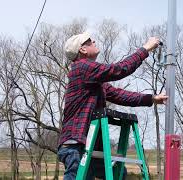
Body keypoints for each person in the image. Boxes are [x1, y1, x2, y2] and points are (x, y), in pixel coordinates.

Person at [57, 31, 168, 180]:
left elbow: (118, 95)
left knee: (118, 173)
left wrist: (151, 99)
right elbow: (118, 70)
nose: (94, 41)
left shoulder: (94, 81)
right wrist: (145, 49)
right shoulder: (82, 68)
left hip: (88, 146)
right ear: (82, 49)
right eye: (90, 41)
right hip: (75, 144)